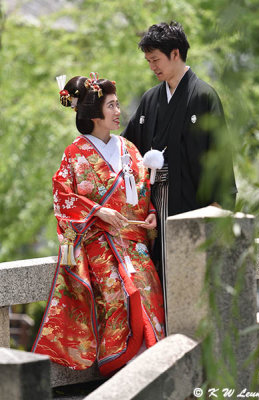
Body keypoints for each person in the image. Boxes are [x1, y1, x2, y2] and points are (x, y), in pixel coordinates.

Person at [32, 73, 165, 376]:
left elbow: (143, 190)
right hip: (100, 247)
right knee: (117, 298)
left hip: (135, 244)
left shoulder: (130, 149)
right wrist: (97, 211)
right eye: (112, 106)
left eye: (118, 105)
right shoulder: (74, 154)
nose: (119, 112)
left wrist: (152, 214)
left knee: (150, 295)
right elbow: (62, 198)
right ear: (94, 113)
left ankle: (154, 373)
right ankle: (124, 372)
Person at [122, 21, 237, 315]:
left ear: (175, 54)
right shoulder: (150, 99)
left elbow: (221, 160)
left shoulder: (203, 96)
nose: (152, 67)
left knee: (194, 298)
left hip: (193, 209)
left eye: (155, 60)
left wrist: (217, 210)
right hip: (155, 212)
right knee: (161, 292)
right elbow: (127, 148)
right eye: (148, 61)